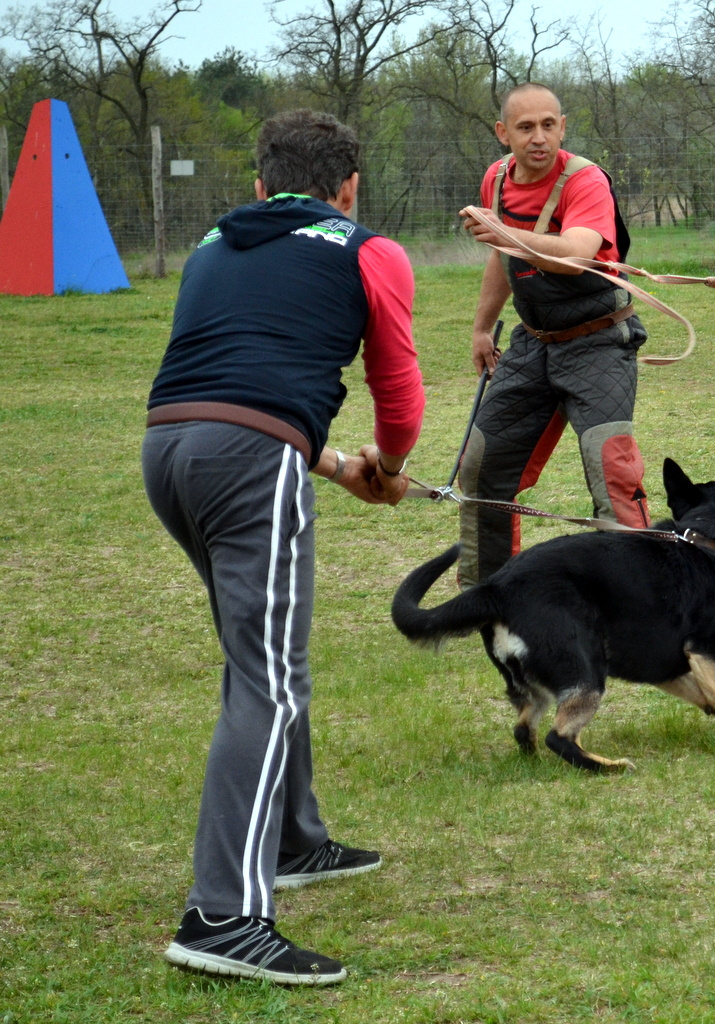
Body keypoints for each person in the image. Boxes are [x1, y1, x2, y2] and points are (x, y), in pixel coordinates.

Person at [141, 109, 425, 986]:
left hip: (168, 451)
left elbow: (232, 379)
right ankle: (223, 917)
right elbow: (400, 394)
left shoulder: (212, 245)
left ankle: (294, 839)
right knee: (262, 675)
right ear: (349, 188)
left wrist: (339, 466)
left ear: (260, 185)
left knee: (261, 655)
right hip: (251, 462)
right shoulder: (366, 248)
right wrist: (389, 466)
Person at [457, 83, 650, 589]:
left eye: (548, 125)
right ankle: (488, 594)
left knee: (612, 473)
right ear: (504, 134)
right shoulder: (496, 181)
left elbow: (578, 253)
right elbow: (503, 257)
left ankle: (639, 599)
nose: (538, 137)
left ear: (562, 127)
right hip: (533, 341)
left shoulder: (585, 180)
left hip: (598, 341)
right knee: (482, 464)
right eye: (525, 127)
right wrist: (481, 328)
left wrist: (505, 232)